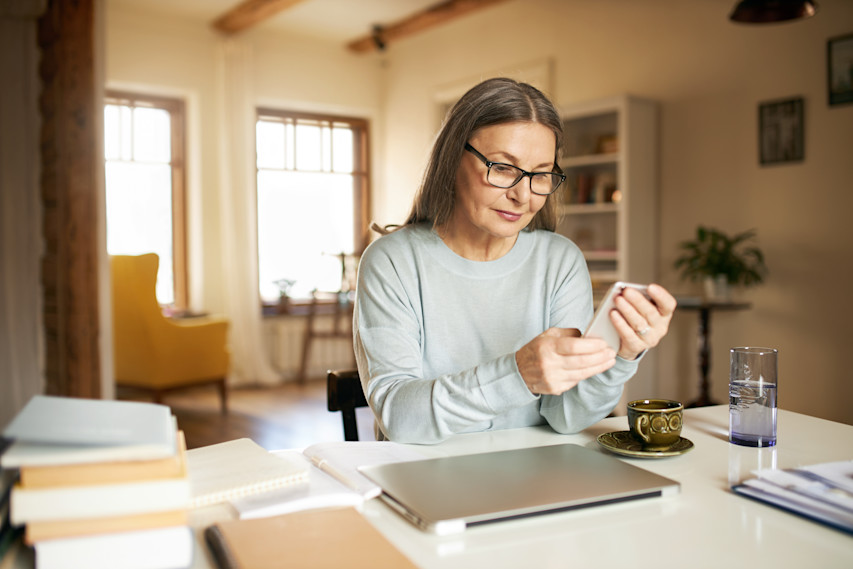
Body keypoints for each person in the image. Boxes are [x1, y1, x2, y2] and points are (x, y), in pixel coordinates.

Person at [354, 77, 676, 444]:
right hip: (422, 475)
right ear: (453, 157)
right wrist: (518, 374)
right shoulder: (392, 262)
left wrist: (622, 355)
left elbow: (566, 417)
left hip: (537, 475)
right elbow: (399, 418)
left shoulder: (559, 260)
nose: (523, 196)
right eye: (503, 167)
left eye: (541, 174)